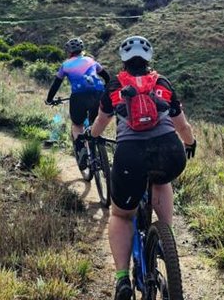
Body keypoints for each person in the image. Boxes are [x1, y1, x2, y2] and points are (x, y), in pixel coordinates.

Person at [88, 35, 196, 300]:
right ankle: (164, 238)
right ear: (149, 59)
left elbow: (100, 124)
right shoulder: (163, 83)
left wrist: (91, 134)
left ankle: (122, 279)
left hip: (130, 156)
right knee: (162, 180)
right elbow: (182, 126)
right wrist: (190, 143)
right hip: (169, 152)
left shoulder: (114, 86)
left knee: (122, 215)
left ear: (124, 60)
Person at [45, 37, 111, 168]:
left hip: (78, 96)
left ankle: (81, 149)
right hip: (98, 94)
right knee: (95, 122)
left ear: (69, 52)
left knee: (77, 125)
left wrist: (49, 99)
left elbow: (56, 84)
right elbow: (107, 77)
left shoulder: (65, 65)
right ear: (82, 50)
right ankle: (99, 151)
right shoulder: (91, 60)